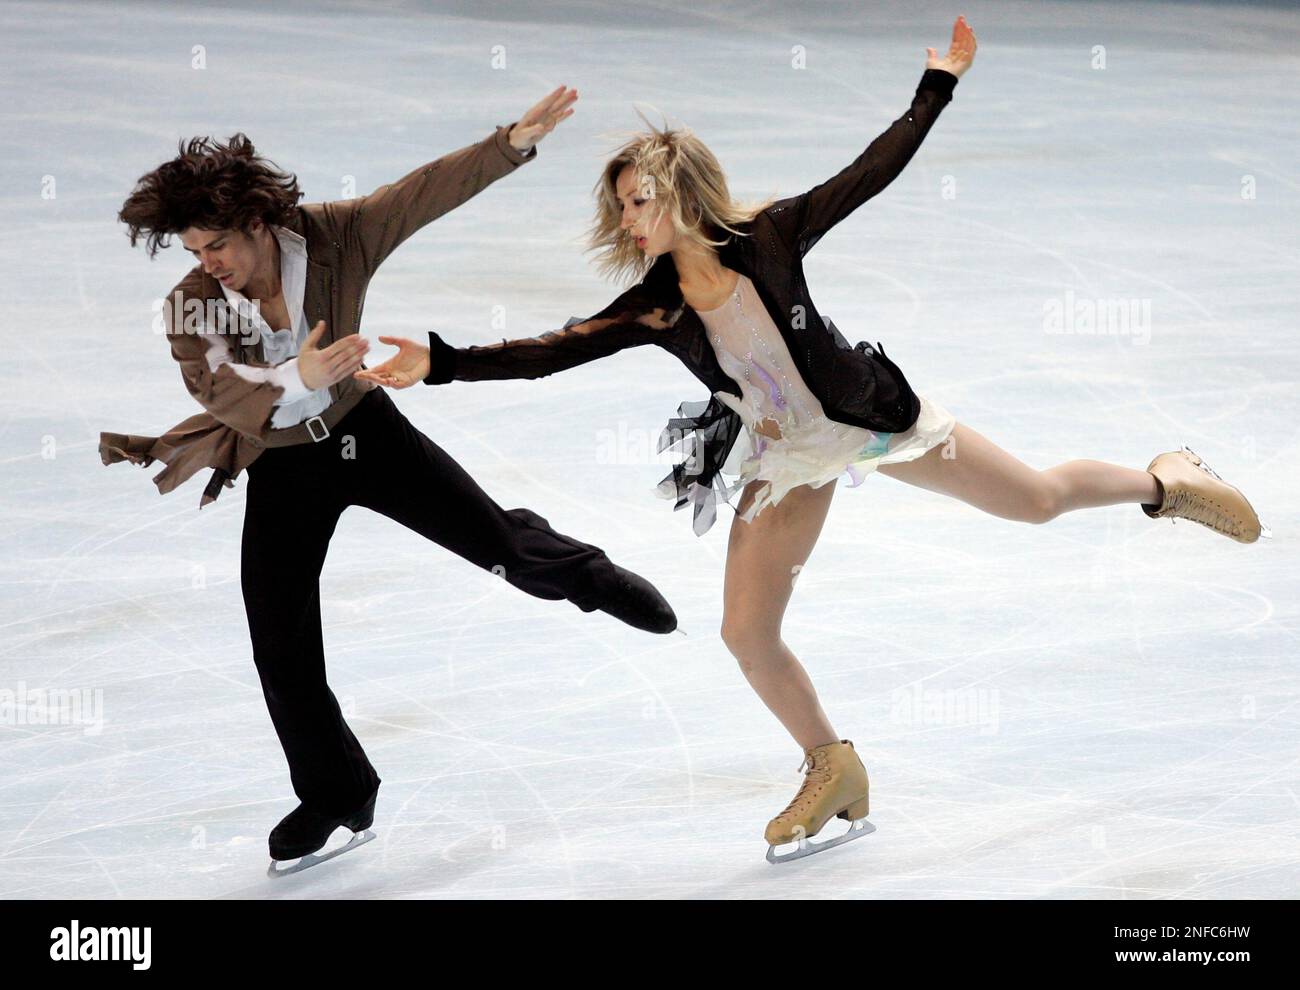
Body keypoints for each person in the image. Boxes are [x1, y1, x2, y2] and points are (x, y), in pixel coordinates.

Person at [357, 17, 1266, 861]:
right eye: (623, 208)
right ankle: (833, 766)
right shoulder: (654, 302)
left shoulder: (772, 236)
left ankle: (1165, 480)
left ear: (679, 192)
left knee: (1034, 501)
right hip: (788, 453)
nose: (629, 221)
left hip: (872, 421)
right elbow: (554, 353)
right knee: (747, 632)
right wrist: (438, 362)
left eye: (640, 201)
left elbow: (870, 171)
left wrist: (935, 84)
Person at [100, 86, 680, 871]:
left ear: (258, 224)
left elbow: (420, 194)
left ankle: (591, 577)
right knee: (280, 640)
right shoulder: (194, 305)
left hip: (363, 433)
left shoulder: (337, 236)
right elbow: (217, 393)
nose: (210, 267)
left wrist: (508, 144)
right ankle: (338, 794)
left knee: (495, 540)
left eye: (218, 248)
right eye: (196, 253)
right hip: (283, 463)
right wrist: (292, 375)